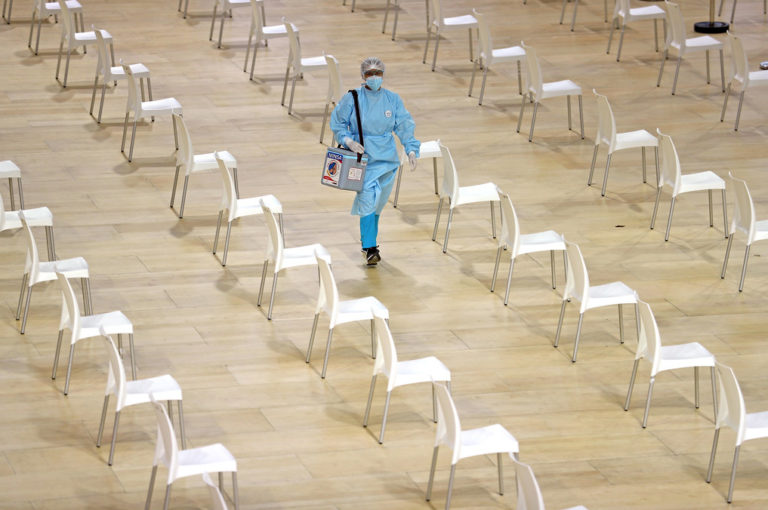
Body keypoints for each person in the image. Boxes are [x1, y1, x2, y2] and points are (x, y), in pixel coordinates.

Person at [330, 57, 420, 266]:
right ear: (362, 76)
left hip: (388, 160)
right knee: (368, 199)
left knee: (378, 204)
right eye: (369, 73)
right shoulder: (352, 98)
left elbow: (404, 125)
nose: (373, 77)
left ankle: (369, 242)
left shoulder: (392, 99)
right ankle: (370, 246)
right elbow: (338, 123)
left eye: (377, 73)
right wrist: (348, 141)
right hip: (364, 159)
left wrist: (412, 149)